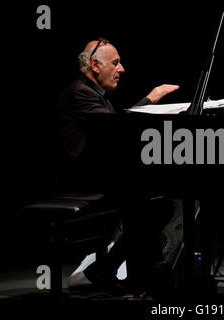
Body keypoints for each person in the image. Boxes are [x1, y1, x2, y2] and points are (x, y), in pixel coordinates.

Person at [56, 38, 179, 296]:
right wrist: (151, 99)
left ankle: (124, 272)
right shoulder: (81, 93)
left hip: (97, 175)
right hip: (81, 181)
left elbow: (117, 126)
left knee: (154, 202)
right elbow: (119, 128)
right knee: (151, 204)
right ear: (95, 65)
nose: (121, 69)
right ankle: (141, 275)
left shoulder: (96, 94)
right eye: (115, 63)